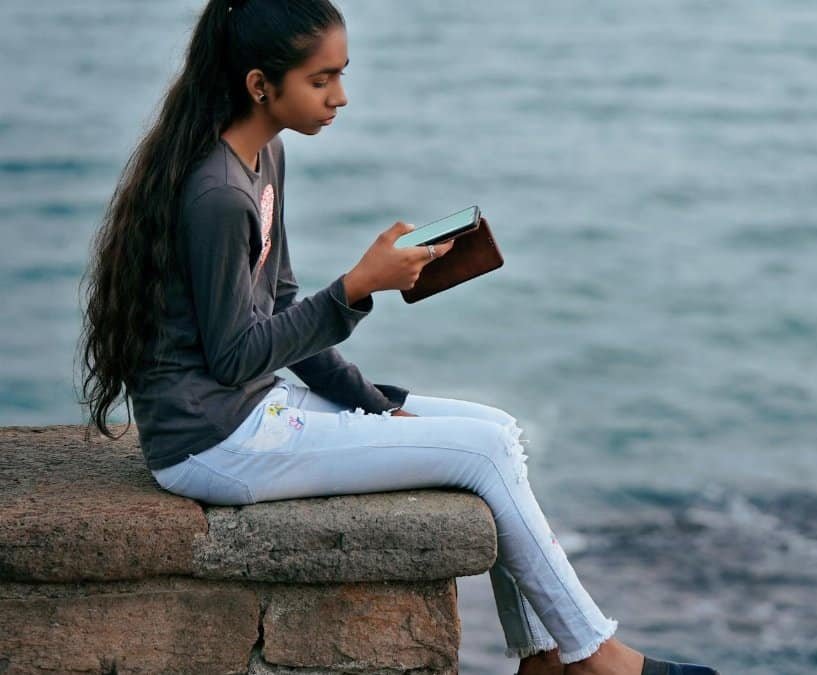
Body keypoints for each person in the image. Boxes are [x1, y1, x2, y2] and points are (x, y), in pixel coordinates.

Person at [77, 2, 719, 674]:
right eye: (321, 80)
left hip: (248, 413)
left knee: (499, 429)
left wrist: (373, 404)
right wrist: (358, 286)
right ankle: (595, 657)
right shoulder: (217, 193)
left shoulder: (265, 157)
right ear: (260, 84)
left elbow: (284, 308)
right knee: (485, 451)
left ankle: (545, 656)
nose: (341, 96)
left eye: (342, 75)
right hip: (211, 443)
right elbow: (234, 355)